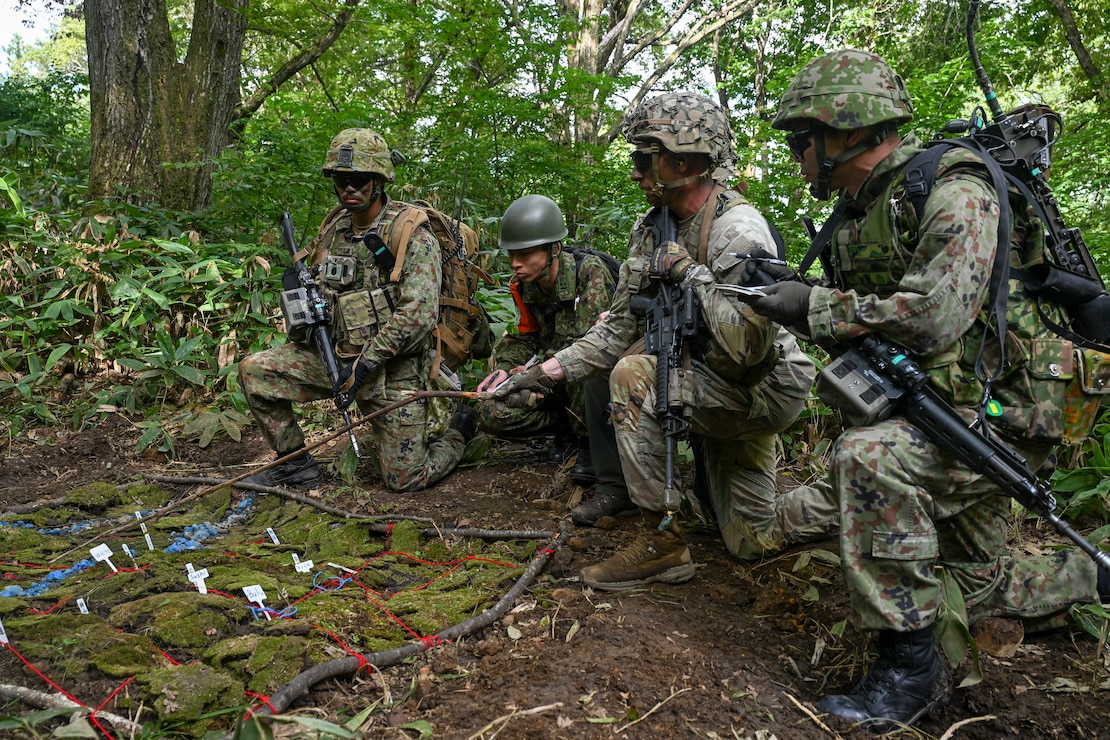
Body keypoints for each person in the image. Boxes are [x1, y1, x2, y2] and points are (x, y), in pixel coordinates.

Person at [737, 49, 1107, 730]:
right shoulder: (857, 210)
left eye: (801, 142)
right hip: (948, 407)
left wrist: (812, 307)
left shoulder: (955, 189)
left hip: (1012, 414)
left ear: (846, 132)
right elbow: (871, 313)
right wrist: (790, 288)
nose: (797, 157)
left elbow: (936, 315)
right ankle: (1091, 575)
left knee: (870, 462)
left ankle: (909, 672)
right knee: (964, 586)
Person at [482, 91, 816, 589]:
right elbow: (616, 327)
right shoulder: (651, 230)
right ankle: (860, 501)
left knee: (633, 375)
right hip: (711, 381)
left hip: (760, 388)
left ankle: (662, 543)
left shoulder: (738, 231)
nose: (636, 172)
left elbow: (748, 344)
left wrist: (692, 276)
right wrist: (539, 373)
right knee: (751, 539)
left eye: (644, 158)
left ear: (683, 161)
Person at [239, 128, 477, 492]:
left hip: (394, 372)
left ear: (379, 181)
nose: (349, 189)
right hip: (336, 359)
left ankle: (459, 428)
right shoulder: (333, 230)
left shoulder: (410, 235)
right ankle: (294, 464)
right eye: (341, 180)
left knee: (404, 480)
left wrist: (366, 365)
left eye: (360, 181)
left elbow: (418, 314)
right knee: (255, 371)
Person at [475, 194, 633, 524]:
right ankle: (566, 431)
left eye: (525, 254)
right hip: (550, 383)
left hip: (590, 380)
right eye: (512, 254)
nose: (515, 262)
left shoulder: (589, 274)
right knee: (490, 409)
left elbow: (593, 347)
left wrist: (536, 369)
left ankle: (589, 444)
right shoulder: (524, 285)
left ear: (553, 250)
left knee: (585, 375)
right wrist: (505, 370)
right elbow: (522, 336)